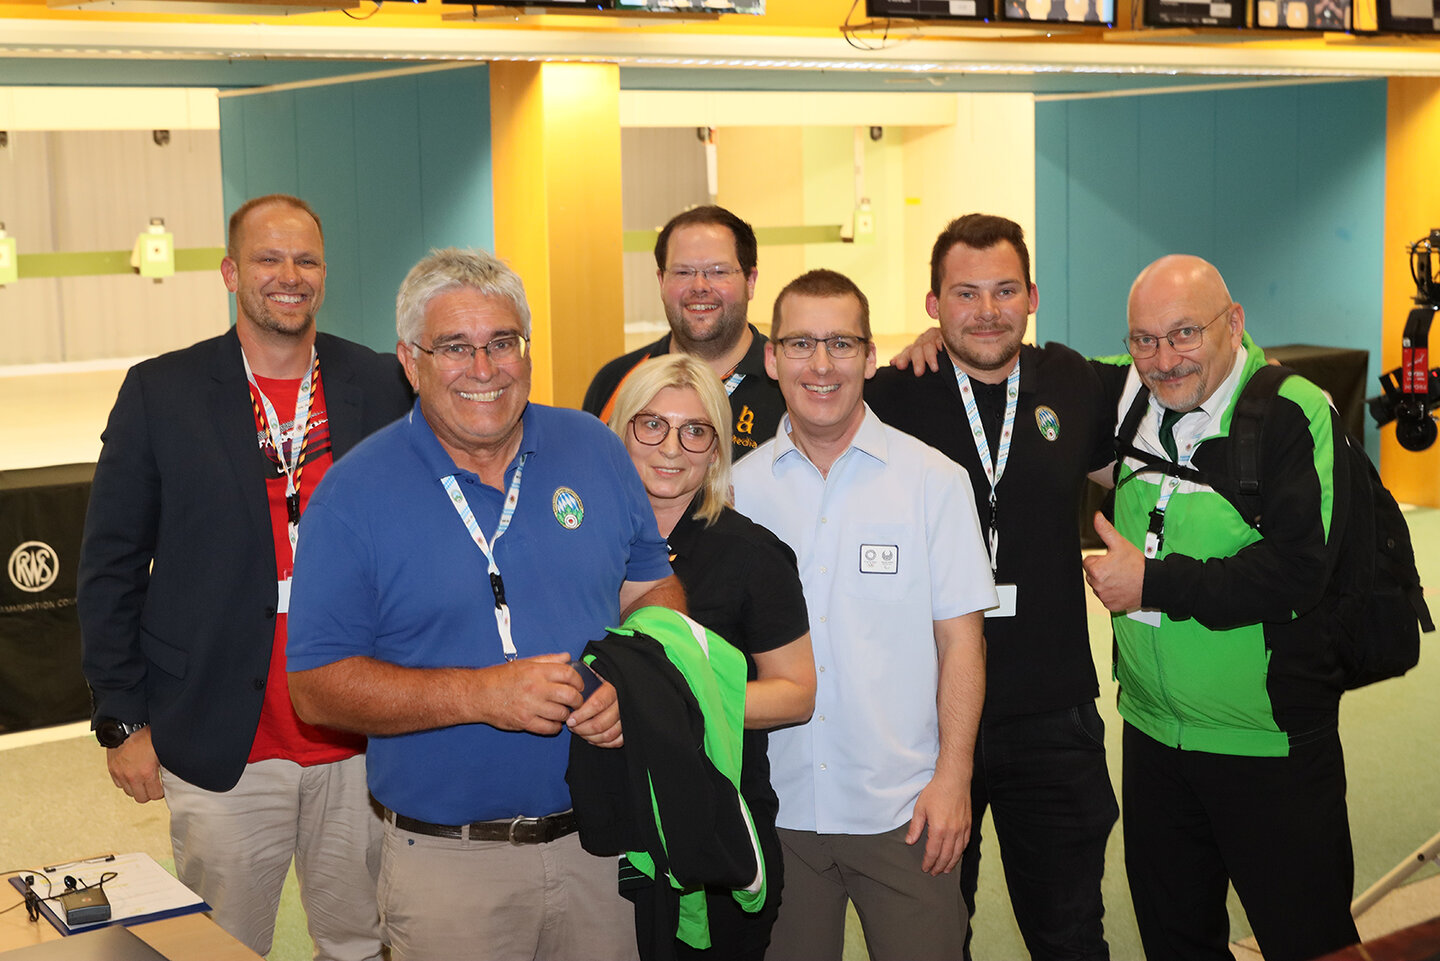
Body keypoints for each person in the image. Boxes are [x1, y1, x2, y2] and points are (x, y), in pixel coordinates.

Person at [285, 246, 686, 961]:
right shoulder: (353, 494)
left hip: (602, 843)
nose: (484, 368)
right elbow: (315, 688)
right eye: (455, 347)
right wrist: (480, 695)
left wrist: (636, 683)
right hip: (450, 866)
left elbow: (653, 588)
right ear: (410, 363)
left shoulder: (592, 448)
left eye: (503, 342)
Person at [77, 194, 411, 960]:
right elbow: (110, 567)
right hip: (221, 735)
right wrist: (122, 718)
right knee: (222, 947)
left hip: (359, 736)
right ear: (232, 272)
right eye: (268, 258)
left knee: (362, 942)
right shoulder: (161, 392)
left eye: (306, 259)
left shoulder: (382, 383)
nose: (289, 275)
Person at [1083, 254, 1359, 961]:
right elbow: (1012, 365)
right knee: (1176, 942)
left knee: (1311, 942)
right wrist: (936, 341)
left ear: (1233, 323)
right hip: (1153, 738)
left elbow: (1299, 572)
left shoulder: (1293, 410)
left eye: (1185, 333)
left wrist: (1154, 584)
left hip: (1266, 745)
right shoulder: (1127, 392)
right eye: (1143, 339)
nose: (1163, 359)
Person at [866, 214, 1119, 961]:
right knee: (934, 935)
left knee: (1071, 934)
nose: (986, 310)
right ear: (932, 304)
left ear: (1033, 297)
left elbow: (1156, 422)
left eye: (1005, 290)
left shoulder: (1072, 380)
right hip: (926, 720)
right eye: (965, 293)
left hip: (1054, 714)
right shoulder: (893, 395)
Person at [731, 268, 996, 961]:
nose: (821, 365)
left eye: (841, 344)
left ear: (871, 357)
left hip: (905, 814)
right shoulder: (735, 493)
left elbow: (962, 643)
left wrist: (954, 779)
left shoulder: (934, 482)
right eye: (801, 343)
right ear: (772, 358)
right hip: (780, 813)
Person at [606, 353, 816, 960]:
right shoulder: (583, 543)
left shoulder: (752, 554)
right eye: (652, 425)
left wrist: (667, 708)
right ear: (621, 432)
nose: (672, 448)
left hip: (715, 831)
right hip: (607, 828)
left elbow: (796, 694)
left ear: (716, 450)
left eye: (695, 431)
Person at [583, 205, 784, 461]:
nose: (699, 286)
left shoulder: (790, 387)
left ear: (750, 281)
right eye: (683, 272)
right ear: (661, 282)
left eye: (718, 271)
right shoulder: (616, 381)